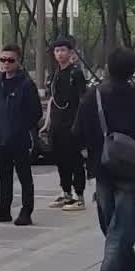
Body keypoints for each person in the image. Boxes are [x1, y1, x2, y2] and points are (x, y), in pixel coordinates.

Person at [74, 46, 135, 271]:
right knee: (124, 220)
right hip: (130, 166)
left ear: (108, 67)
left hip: (101, 165)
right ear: (131, 70)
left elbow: (77, 131)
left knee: (111, 220)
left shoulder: (93, 95)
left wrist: (87, 153)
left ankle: (118, 268)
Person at [0, 43, 43, 226]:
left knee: (24, 175)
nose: (6, 63)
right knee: (4, 175)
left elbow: (36, 112)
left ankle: (26, 211)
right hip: (1, 137)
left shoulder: (26, 84)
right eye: (3, 59)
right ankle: (4, 209)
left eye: (10, 60)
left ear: (18, 61)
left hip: (19, 138)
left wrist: (21, 126)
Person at [47, 36, 87, 210]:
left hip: (72, 124)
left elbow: (83, 99)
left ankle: (79, 196)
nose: (59, 54)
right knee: (60, 160)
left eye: (63, 50)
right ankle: (66, 193)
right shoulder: (54, 74)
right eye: (57, 51)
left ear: (70, 52)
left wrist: (80, 124)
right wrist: (47, 123)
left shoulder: (75, 73)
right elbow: (52, 100)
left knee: (75, 160)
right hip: (57, 125)